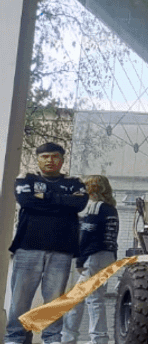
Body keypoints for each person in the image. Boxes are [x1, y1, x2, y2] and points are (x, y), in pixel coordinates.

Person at [5, 142, 87, 344]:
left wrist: (45, 197)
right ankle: (15, 338)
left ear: (62, 160)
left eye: (55, 156)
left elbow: (78, 204)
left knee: (54, 301)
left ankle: (52, 338)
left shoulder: (75, 183)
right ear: (38, 159)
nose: (50, 160)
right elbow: (26, 202)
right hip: (28, 248)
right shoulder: (26, 179)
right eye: (45, 156)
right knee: (20, 299)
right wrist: (63, 202)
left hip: (61, 250)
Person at [61, 175, 118, 344]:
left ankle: (92, 338)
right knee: (86, 298)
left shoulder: (95, 207)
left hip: (95, 256)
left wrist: (80, 259)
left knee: (91, 299)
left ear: (91, 190)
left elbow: (87, 234)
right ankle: (79, 337)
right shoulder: (111, 209)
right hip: (108, 255)